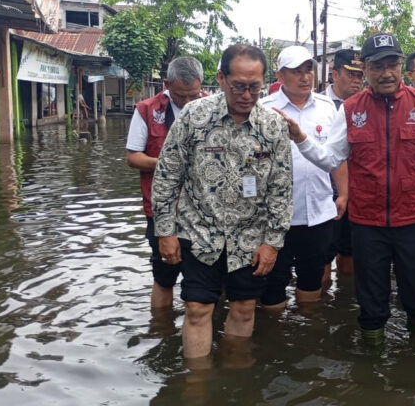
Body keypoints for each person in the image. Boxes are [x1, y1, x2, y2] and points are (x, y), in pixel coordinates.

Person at [275, 32, 415, 343]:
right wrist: (300, 138)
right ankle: (373, 354)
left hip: (413, 219)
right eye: (377, 66)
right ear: (365, 69)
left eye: (392, 64)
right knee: (371, 304)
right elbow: (331, 158)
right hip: (367, 223)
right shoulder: (351, 109)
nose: (386, 73)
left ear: (401, 66)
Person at [152, 44, 293, 360]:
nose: (247, 95)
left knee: (244, 308)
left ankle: (235, 372)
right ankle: (196, 382)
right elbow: (167, 176)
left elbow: (281, 189)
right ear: (221, 78)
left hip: (250, 237)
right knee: (197, 308)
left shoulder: (273, 126)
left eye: (255, 87)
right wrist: (165, 232)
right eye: (238, 86)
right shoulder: (194, 116)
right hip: (199, 232)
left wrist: (272, 243)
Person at [258, 46, 347, 310]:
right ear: (280, 75)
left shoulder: (327, 107)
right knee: (273, 285)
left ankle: (308, 328)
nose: (305, 77)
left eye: (308, 70)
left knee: (312, 281)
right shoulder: (264, 109)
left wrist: (343, 193)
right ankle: (275, 332)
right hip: (275, 217)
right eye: (296, 71)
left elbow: (336, 155)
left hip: (318, 211)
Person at [125, 56, 204, 310]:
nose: (189, 101)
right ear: (167, 85)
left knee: (209, 276)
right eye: (182, 96)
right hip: (162, 209)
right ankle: (161, 328)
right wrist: (167, 164)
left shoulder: (213, 108)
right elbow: (133, 157)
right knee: (164, 276)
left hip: (205, 210)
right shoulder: (147, 110)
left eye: (194, 94)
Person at [322, 49, 364, 275]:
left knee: (351, 252)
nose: (357, 80)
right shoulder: (318, 105)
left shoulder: (366, 104)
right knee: (322, 256)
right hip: (326, 192)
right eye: (351, 74)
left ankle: (345, 293)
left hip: (358, 191)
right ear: (335, 74)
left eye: (360, 75)